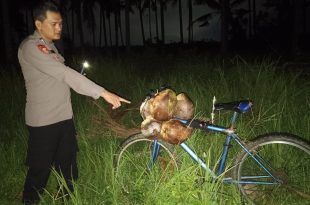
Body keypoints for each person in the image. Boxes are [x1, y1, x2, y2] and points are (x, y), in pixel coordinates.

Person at [17, 1, 130, 204]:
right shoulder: (30, 48)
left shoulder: (51, 48)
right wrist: (103, 93)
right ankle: (29, 201)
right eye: (54, 23)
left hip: (64, 118)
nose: (59, 27)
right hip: (43, 122)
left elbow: (60, 78)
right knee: (39, 170)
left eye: (60, 23)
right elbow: (63, 73)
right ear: (38, 24)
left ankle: (65, 200)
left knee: (68, 167)